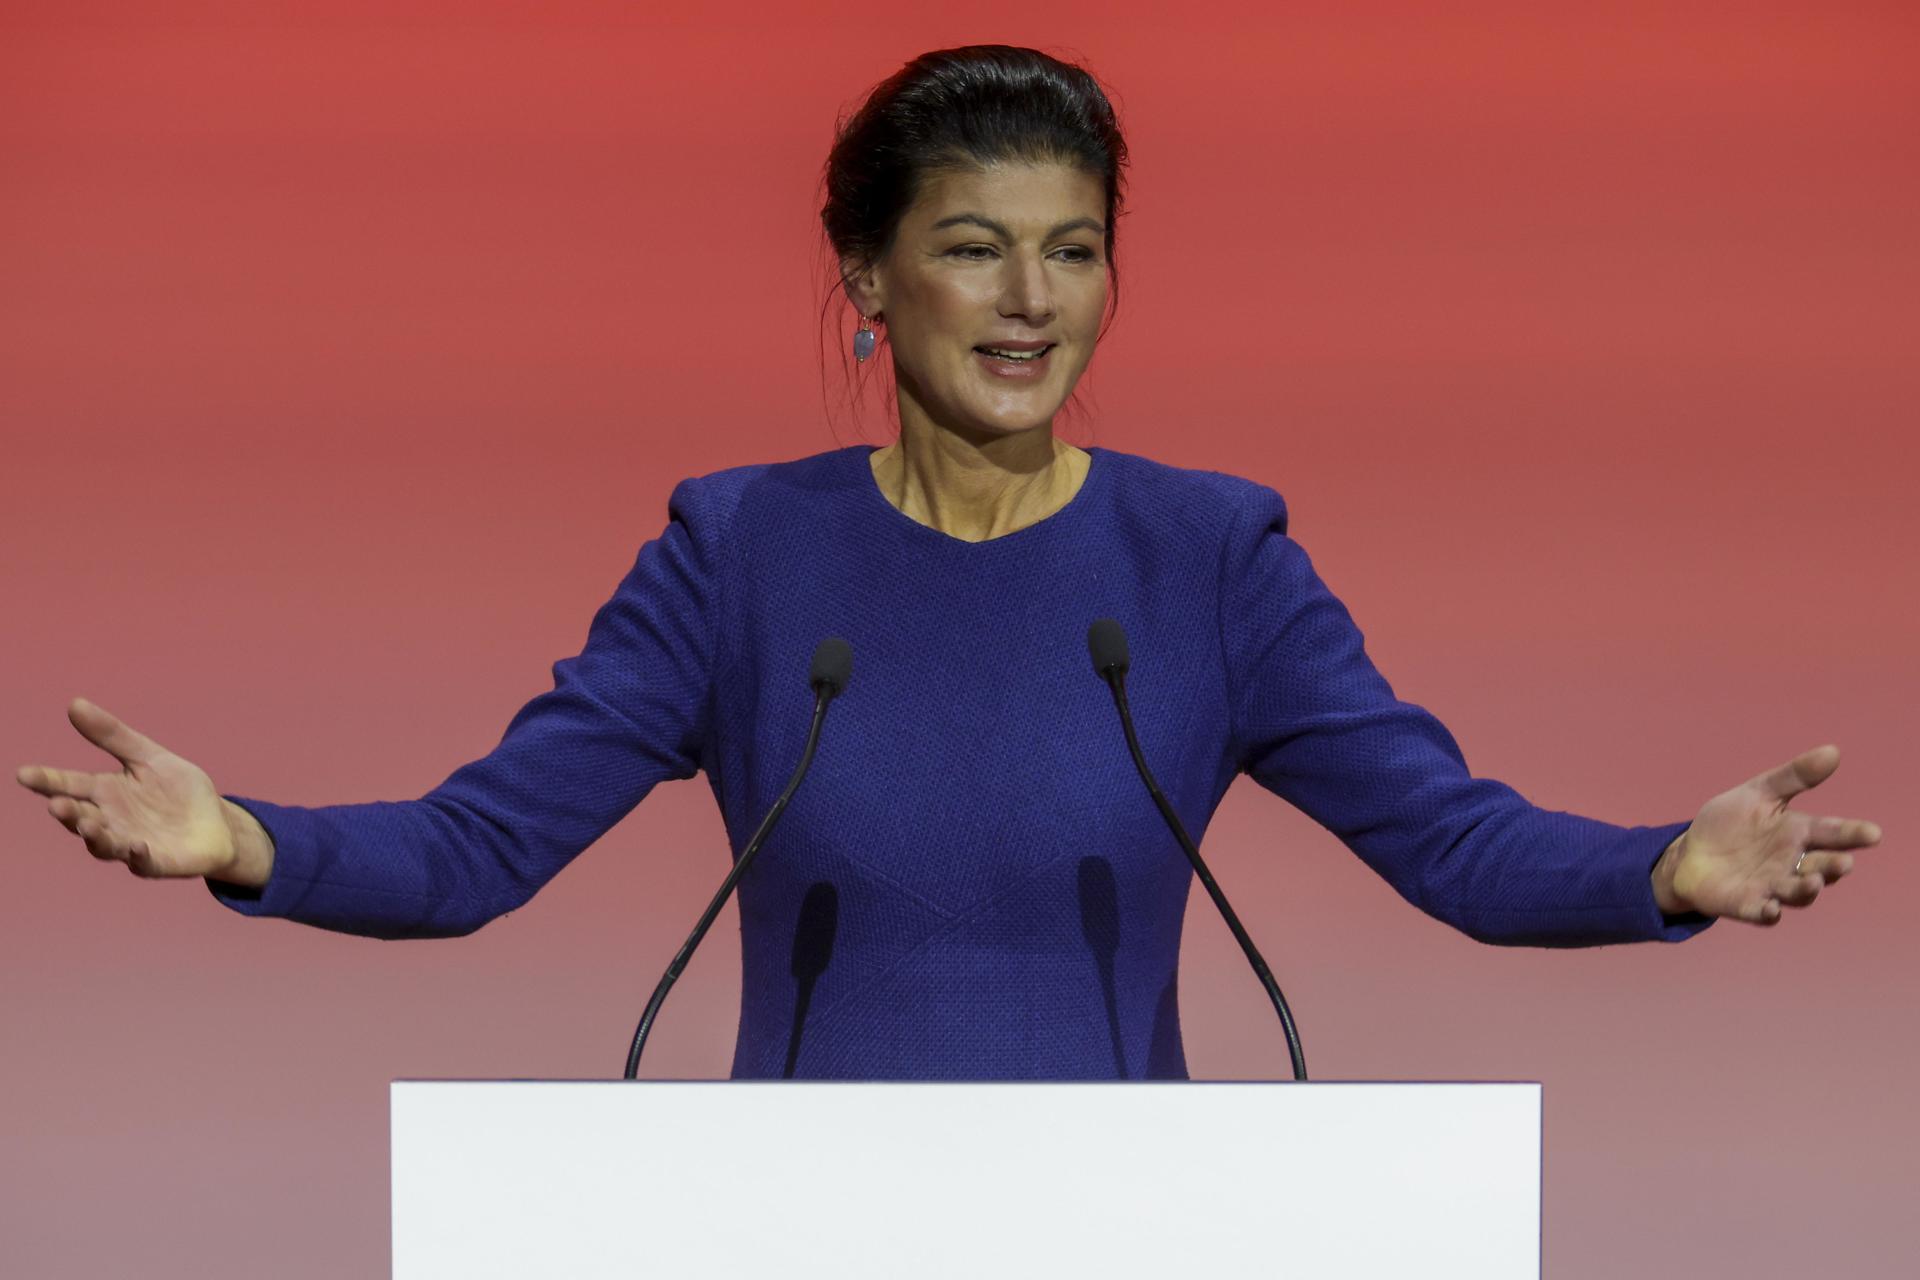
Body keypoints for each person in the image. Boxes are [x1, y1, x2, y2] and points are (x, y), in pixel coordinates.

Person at [16, 45, 1882, 1080]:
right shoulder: (739, 552)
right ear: (865, 277)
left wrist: (1665, 868)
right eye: (975, 247)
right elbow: (480, 848)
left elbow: (1455, 844)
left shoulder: (1209, 556)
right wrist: (242, 840)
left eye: (1073, 252)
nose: (1029, 302)